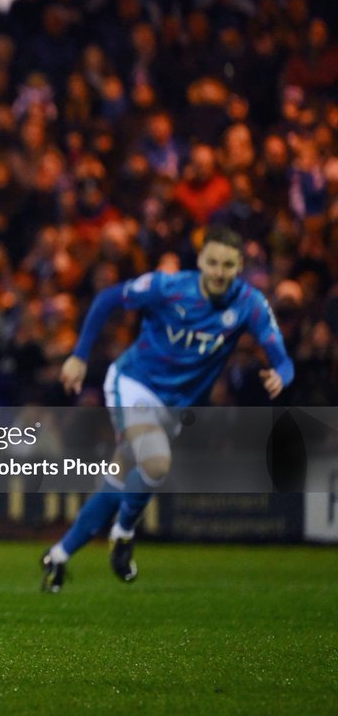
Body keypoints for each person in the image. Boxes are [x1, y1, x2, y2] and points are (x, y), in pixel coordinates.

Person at [43, 225, 293, 592]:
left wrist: (281, 375)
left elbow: (283, 359)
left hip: (176, 407)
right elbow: (108, 299)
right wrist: (79, 356)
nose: (219, 272)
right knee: (156, 462)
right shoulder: (169, 287)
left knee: (120, 477)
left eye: (228, 265)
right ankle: (123, 534)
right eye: (213, 263)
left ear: (240, 266)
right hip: (134, 383)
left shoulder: (249, 304)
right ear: (200, 261)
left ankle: (59, 555)